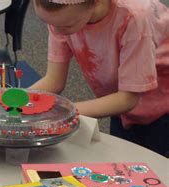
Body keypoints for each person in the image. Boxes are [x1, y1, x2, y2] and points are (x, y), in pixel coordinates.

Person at [30, 0, 169, 157]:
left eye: (67, 26)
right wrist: (17, 101)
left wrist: (61, 115)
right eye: (48, 23)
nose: (57, 31)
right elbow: (54, 80)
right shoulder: (62, 18)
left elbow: (129, 98)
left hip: (162, 111)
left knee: (158, 170)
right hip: (119, 106)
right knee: (124, 165)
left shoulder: (133, 18)